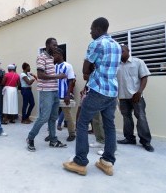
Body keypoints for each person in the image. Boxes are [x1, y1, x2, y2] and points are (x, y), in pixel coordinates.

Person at [63, 17, 121, 176]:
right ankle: (107, 162)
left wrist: (88, 72)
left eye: (91, 29)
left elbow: (86, 68)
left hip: (98, 90)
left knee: (82, 123)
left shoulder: (96, 43)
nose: (90, 32)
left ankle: (80, 162)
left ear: (98, 28)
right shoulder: (117, 45)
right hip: (112, 91)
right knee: (109, 126)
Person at [26, 37, 67, 152]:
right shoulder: (41, 57)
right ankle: (30, 138)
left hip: (54, 90)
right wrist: (58, 76)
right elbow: (40, 75)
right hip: (46, 91)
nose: (56, 47)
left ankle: (53, 140)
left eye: (56, 45)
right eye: (54, 45)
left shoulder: (51, 58)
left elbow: (48, 73)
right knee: (44, 117)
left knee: (53, 117)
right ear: (48, 45)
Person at [116, 45, 154, 152]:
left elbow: (144, 77)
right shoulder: (116, 65)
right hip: (122, 97)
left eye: (122, 51)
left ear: (128, 51)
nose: (120, 53)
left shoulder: (138, 62)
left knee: (141, 117)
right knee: (126, 118)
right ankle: (129, 138)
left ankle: (146, 141)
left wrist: (139, 92)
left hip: (136, 96)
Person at [53, 47, 76, 142]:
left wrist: (68, 94)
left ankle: (72, 134)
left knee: (67, 115)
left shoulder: (68, 66)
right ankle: (52, 134)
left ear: (60, 55)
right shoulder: (54, 67)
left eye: (54, 54)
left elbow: (71, 81)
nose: (53, 56)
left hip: (64, 95)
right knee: (52, 115)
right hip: (54, 94)